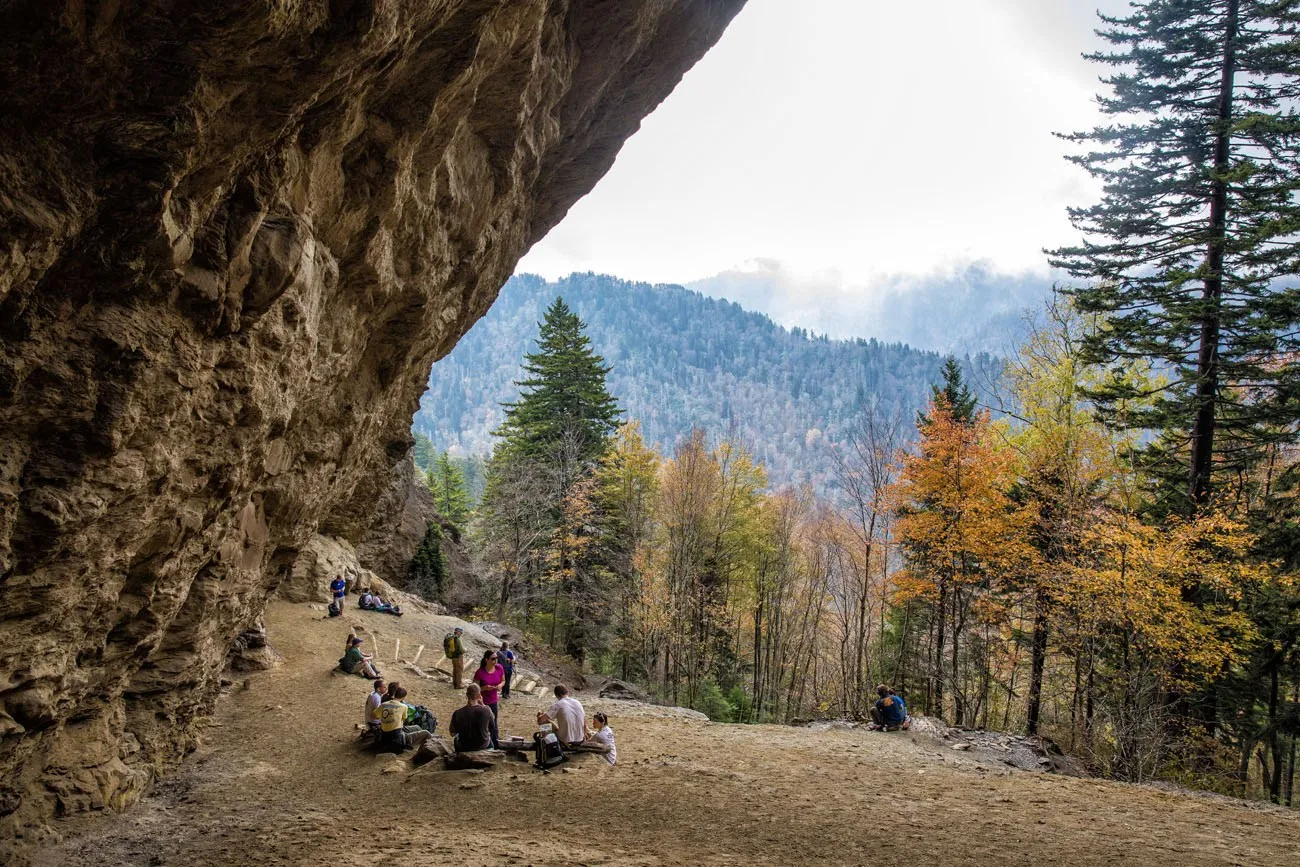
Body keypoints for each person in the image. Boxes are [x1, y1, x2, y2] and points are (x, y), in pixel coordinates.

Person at [378, 686, 430, 751]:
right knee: (426, 733)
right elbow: (405, 719)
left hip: (384, 736)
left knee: (417, 727)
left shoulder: (383, 704)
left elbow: (375, 715)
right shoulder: (403, 706)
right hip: (397, 739)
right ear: (403, 697)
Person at [449, 684, 497, 752]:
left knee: (456, 738)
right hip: (483, 745)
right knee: (490, 740)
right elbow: (492, 725)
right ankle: (492, 753)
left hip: (464, 746)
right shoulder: (486, 710)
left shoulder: (458, 713)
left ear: (467, 695)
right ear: (479, 696)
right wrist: (483, 704)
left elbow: (452, 733)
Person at [473, 649, 505, 727]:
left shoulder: (499, 668)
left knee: (493, 723)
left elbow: (503, 680)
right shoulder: (480, 672)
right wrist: (484, 688)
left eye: (496, 658)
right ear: (487, 660)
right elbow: (474, 689)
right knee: (482, 723)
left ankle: (494, 738)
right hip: (481, 701)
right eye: (493, 659)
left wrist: (500, 685)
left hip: (493, 700)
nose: (496, 660)